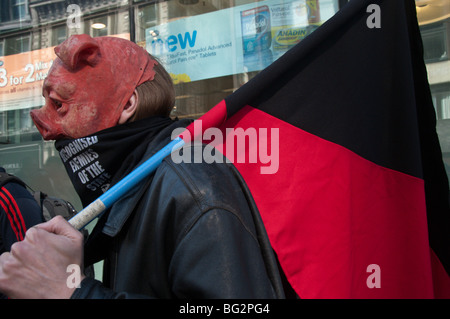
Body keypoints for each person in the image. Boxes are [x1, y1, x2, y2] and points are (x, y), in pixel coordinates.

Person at [0, 34, 285, 299]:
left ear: (127, 105)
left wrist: (74, 292)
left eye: (59, 104)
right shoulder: (135, 185)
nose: (47, 131)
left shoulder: (193, 186)